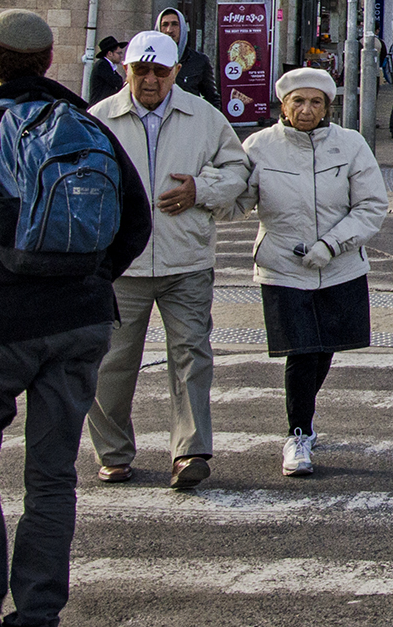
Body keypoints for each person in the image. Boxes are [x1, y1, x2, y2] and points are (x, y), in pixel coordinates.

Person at [0, 9, 152, 627]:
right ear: (47, 62)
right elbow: (136, 220)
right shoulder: (85, 123)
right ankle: (40, 609)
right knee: (52, 474)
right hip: (81, 321)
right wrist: (92, 277)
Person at [85, 30, 250, 489]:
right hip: (122, 265)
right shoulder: (99, 119)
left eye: (161, 71)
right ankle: (114, 453)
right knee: (111, 362)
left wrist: (201, 189)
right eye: (142, 71)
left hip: (187, 260)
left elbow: (238, 170)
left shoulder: (204, 116)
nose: (151, 80)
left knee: (191, 357)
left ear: (176, 71)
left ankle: (190, 452)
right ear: (126, 71)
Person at [235, 68, 389, 478]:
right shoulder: (259, 147)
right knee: (301, 352)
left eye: (315, 102)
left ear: (327, 107)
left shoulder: (350, 145)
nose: (306, 110)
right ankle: (298, 433)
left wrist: (333, 244)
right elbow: (236, 199)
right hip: (283, 267)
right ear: (283, 105)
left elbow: (372, 205)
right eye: (298, 101)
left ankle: (304, 418)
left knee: (324, 349)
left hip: (338, 266)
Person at [156, 7, 221, 106]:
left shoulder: (199, 61)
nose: (169, 30)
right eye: (165, 25)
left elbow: (212, 98)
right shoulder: (151, 61)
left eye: (175, 24)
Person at [85, 35, 127, 105]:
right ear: (110, 53)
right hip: (99, 108)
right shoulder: (102, 65)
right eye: (118, 53)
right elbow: (117, 82)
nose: (121, 56)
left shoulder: (109, 66)